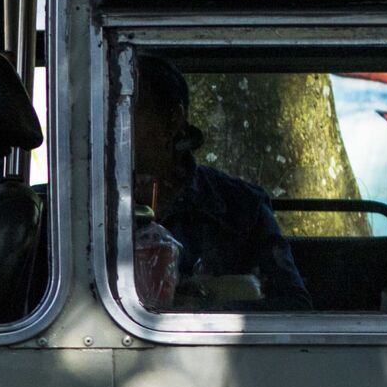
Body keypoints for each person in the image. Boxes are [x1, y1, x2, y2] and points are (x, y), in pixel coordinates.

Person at [132, 54, 311, 312]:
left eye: (130, 110)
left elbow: (294, 306)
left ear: (172, 120)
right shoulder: (88, 205)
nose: (113, 124)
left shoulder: (242, 208)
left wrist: (207, 301)